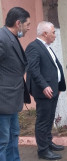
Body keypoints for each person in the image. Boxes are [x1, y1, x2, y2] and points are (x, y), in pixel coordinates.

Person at [26, 21, 66, 160]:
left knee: (49, 119)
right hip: (44, 91)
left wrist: (59, 86)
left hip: (52, 89)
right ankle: (43, 150)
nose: (55, 35)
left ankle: (48, 142)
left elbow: (53, 67)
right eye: (53, 32)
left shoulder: (46, 46)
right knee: (43, 120)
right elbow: (33, 69)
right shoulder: (33, 47)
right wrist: (44, 86)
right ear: (45, 33)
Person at [0, 7, 31, 161]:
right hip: (3, 101)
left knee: (13, 136)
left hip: (12, 100)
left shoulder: (11, 37)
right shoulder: (2, 38)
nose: (28, 28)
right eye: (27, 24)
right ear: (18, 23)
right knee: (3, 141)